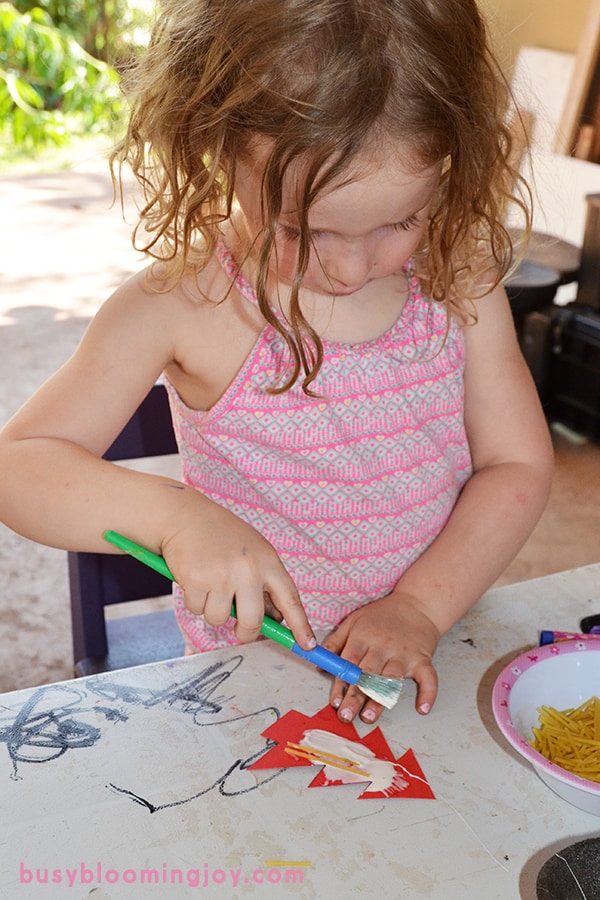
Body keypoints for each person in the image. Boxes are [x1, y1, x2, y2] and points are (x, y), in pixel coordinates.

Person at [0, 0, 553, 725]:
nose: (353, 267)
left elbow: (519, 465)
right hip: (248, 682)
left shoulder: (458, 280)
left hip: (435, 644)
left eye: (400, 220)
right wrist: (176, 518)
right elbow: (22, 464)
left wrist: (421, 604)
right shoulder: (183, 302)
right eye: (305, 228)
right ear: (218, 145)